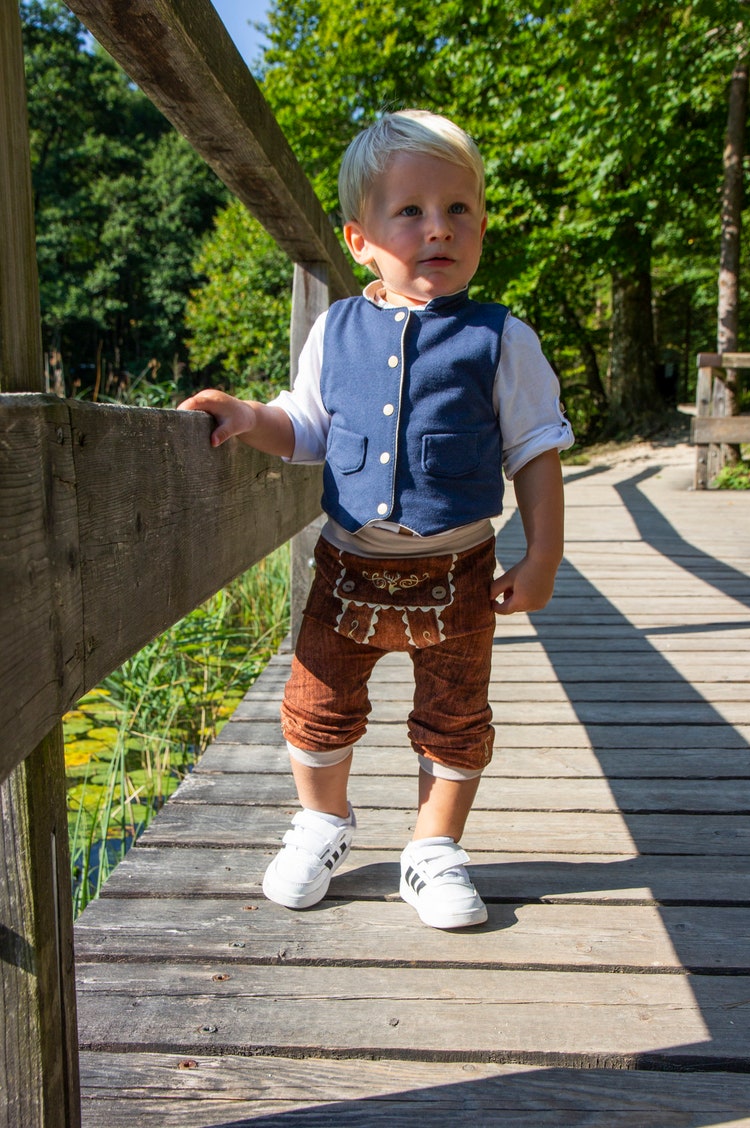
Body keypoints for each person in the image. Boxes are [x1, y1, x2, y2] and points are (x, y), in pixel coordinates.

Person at [179, 109, 573, 929]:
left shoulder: (503, 340)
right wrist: (251, 416)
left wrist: (541, 558)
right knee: (316, 702)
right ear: (360, 241)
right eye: (411, 211)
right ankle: (323, 823)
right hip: (347, 565)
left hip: (457, 571)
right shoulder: (337, 329)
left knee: (457, 715)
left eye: (458, 209)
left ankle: (434, 850)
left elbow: (536, 450)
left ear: (482, 225)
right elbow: (308, 426)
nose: (439, 228)